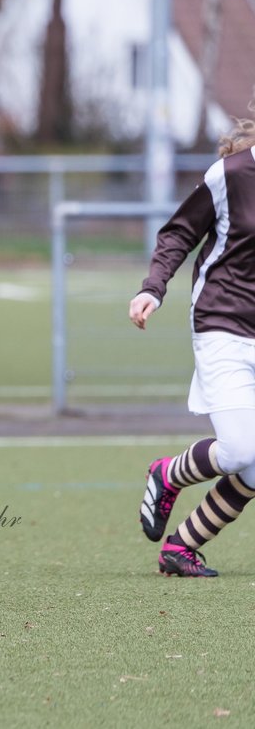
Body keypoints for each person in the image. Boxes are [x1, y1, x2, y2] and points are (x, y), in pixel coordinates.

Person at [132, 106, 255, 577]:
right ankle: (167, 474)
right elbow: (178, 234)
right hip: (222, 322)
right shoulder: (231, 175)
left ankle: (180, 547)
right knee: (242, 450)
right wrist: (152, 288)